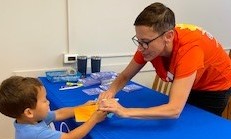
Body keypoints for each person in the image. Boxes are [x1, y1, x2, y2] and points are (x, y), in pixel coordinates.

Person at [98, 2, 231, 119]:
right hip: (194, 78)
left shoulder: (189, 50)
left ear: (168, 36)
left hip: (215, 85)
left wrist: (125, 112)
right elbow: (126, 75)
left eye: (144, 42)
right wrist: (109, 92)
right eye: (138, 41)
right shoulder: (149, 46)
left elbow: (174, 110)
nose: (140, 48)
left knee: (198, 127)